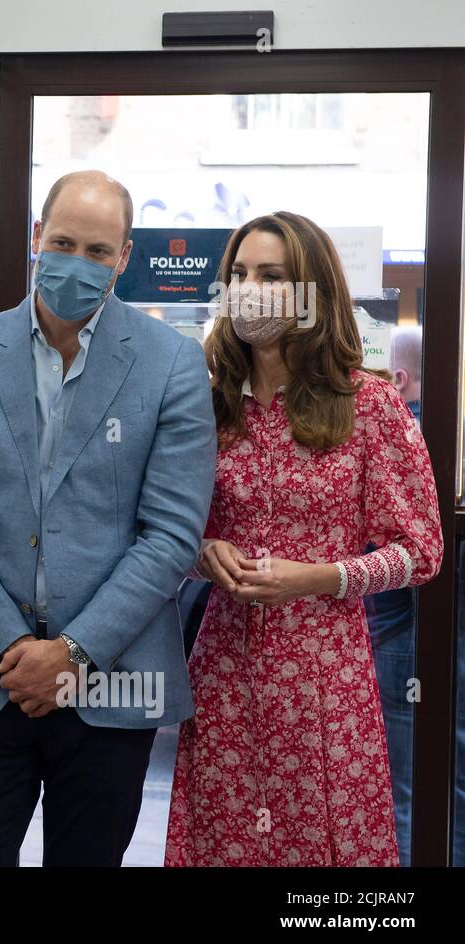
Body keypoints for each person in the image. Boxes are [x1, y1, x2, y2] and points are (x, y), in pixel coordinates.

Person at [0, 169, 217, 867]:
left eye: (98, 251)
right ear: (36, 239)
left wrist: (71, 656)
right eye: (65, 242)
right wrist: (12, 649)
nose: (78, 263)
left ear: (125, 258)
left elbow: (170, 534)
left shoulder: (172, 366)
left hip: (111, 685)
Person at [165, 212, 443, 867]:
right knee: (224, 841)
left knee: (321, 849)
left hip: (326, 681)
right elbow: (162, 531)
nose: (248, 290)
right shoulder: (205, 404)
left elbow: (421, 550)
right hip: (224, 672)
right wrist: (202, 553)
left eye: (271, 275)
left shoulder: (367, 406)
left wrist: (320, 577)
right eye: (237, 275)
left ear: (311, 292)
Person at [364, 326, 421, 866]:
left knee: (397, 787)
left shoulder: (394, 427)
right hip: (416, 632)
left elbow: (415, 550)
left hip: (397, 633)